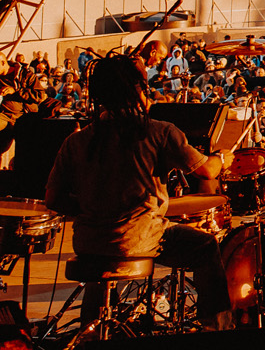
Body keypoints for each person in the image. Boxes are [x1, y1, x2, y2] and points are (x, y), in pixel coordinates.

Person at [44, 55, 233, 328]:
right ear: (137, 90)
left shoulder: (76, 140)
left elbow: (53, 198)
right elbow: (207, 171)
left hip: (89, 243)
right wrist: (222, 158)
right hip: (138, 240)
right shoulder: (160, 132)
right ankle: (217, 329)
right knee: (206, 246)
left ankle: (91, 331)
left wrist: (93, 208)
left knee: (104, 256)